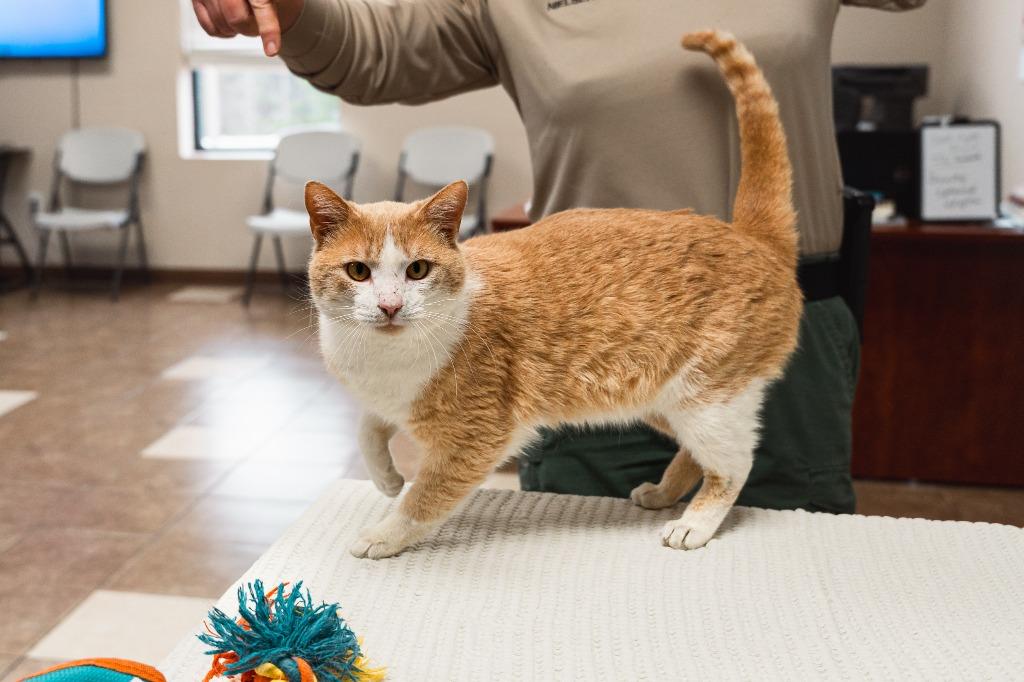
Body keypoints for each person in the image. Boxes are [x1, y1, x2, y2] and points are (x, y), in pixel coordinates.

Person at [193, 0, 925, 514]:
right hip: (569, 335)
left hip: (770, 315)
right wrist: (283, 5)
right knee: (571, 604)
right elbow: (375, 52)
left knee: (784, 583)